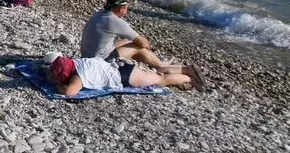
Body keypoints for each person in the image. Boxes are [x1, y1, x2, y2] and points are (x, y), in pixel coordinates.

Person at [79, 0, 201, 83]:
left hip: (87, 55)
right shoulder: (114, 21)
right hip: (100, 61)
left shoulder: (101, 14)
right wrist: (145, 44)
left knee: (130, 41)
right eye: (126, 8)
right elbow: (141, 41)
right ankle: (161, 65)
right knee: (138, 45)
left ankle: (160, 64)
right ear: (120, 9)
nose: (127, 11)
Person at [46, 53, 201, 96]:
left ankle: (189, 77)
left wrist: (57, 84)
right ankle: (184, 70)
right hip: (121, 67)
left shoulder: (78, 77)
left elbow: (69, 92)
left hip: (125, 77)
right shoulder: (77, 62)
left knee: (161, 80)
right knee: (156, 75)